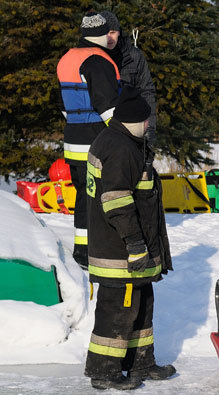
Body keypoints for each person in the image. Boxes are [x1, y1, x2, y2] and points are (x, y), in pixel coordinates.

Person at [84, 87, 174, 390]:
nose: (149, 124)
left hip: (136, 252)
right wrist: (135, 246)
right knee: (118, 312)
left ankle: (141, 363)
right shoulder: (121, 149)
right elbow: (117, 203)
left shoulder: (121, 140)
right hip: (120, 253)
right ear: (135, 120)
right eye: (147, 120)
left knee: (142, 305)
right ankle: (104, 372)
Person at [57, 12, 122, 268]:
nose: (114, 37)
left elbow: (62, 103)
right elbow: (108, 108)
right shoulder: (98, 60)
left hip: (73, 140)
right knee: (101, 198)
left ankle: (82, 252)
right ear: (104, 34)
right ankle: (97, 252)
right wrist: (126, 136)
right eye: (112, 33)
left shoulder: (66, 59)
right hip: (97, 142)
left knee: (84, 197)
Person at [100, 10, 158, 147]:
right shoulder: (93, 59)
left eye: (113, 32)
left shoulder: (134, 57)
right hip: (100, 132)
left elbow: (147, 92)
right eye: (105, 33)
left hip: (131, 130)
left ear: (119, 32)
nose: (109, 37)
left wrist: (149, 128)